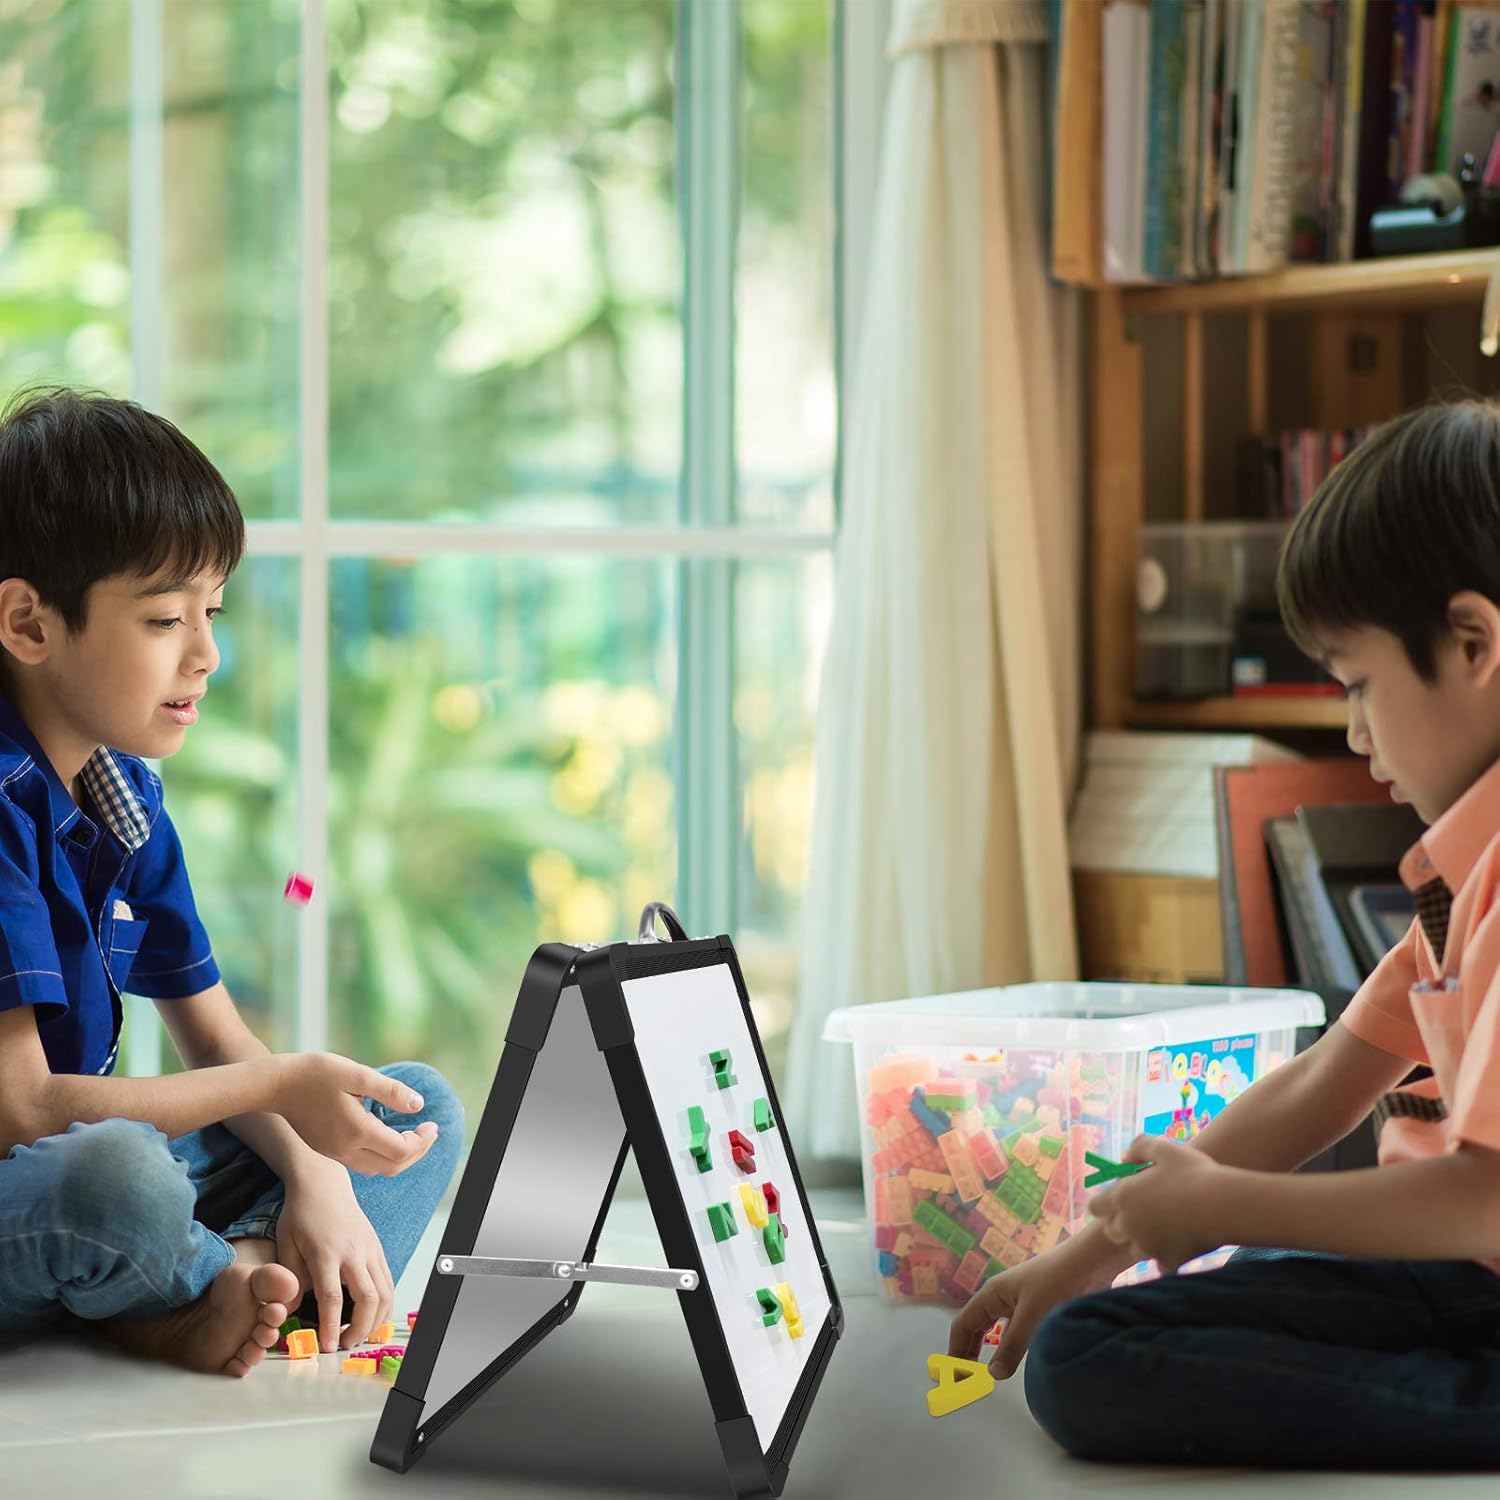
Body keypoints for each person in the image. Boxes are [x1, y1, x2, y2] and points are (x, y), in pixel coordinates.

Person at [950, 398, 1500, 1467]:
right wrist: (1082, 1258)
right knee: (1113, 1324)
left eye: (1358, 685)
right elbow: (1323, 1083)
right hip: (1458, 1279)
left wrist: (1226, 1206)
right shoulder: (1463, 874)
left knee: (1085, 1364)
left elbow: (1486, 1201)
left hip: (1473, 1271)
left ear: (1473, 641)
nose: (1354, 731)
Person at [0, 388, 464, 1377]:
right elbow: (26, 1115)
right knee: (118, 1174)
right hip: (33, 1194)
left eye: (211, 612)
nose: (206, 654)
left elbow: (215, 1039)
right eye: (166, 618)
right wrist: (283, 1087)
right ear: (29, 624)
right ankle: (202, 1287)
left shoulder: (124, 795)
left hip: (92, 1188)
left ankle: (206, 1286)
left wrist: (315, 1171)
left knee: (417, 1109)